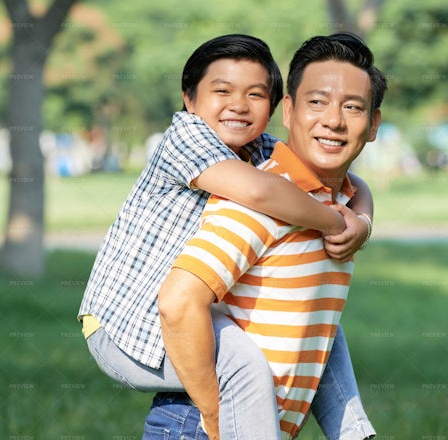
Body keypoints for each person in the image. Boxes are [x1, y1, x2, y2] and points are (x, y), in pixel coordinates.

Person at [77, 34, 375, 439]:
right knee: (243, 363)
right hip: (127, 324)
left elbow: (350, 179)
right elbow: (261, 191)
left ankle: (357, 431)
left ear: (274, 108)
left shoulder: (258, 150)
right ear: (189, 99)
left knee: (318, 321)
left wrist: (363, 220)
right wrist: (336, 222)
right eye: (222, 91)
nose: (238, 104)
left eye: (255, 94)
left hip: (192, 309)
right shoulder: (186, 137)